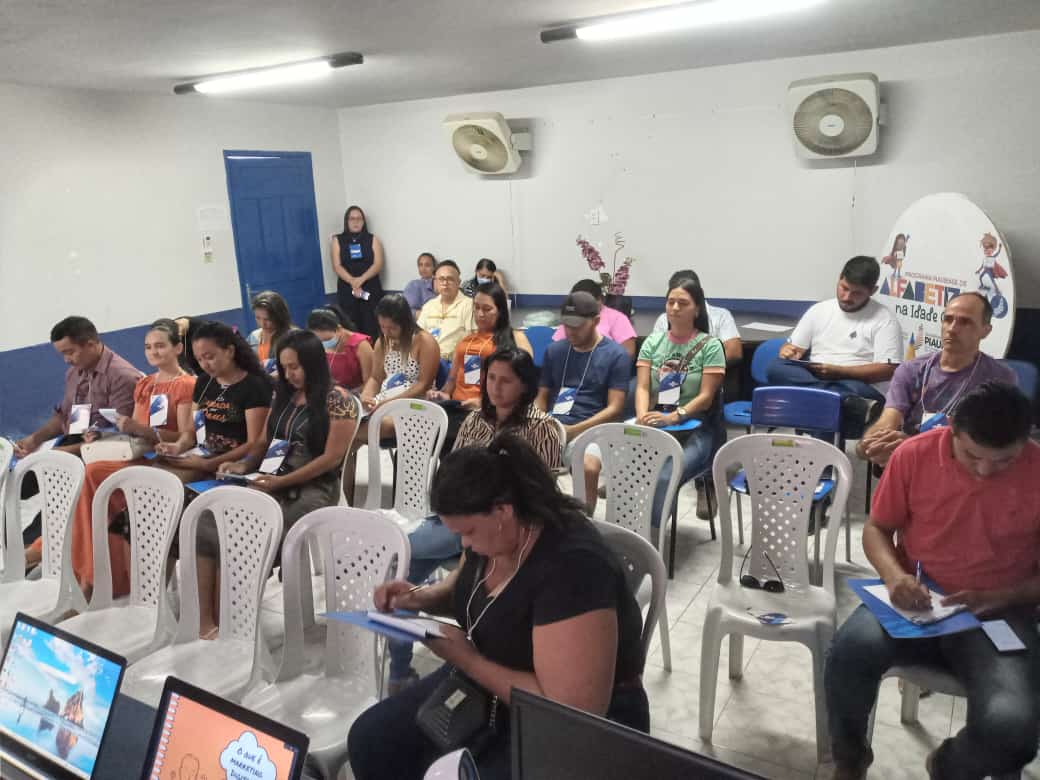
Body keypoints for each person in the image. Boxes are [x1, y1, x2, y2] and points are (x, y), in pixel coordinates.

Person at [347, 434, 649, 780]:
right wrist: (419, 597)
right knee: (371, 739)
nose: (464, 543)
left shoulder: (574, 568)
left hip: (574, 724)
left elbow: (570, 709)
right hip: (495, 679)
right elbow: (473, 594)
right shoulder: (494, 540)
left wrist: (466, 659)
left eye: (469, 531)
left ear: (503, 512)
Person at [825, 381, 1040, 780]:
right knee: (848, 654)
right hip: (914, 598)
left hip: (998, 613)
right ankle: (851, 759)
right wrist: (895, 578)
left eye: (1004, 461)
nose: (984, 471)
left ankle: (949, 766)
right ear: (952, 431)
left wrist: (1002, 595)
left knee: (1015, 726)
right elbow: (877, 528)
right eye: (972, 456)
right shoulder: (915, 454)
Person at [388, 348, 563, 692]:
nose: (496, 388)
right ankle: (399, 670)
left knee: (402, 551)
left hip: (503, 525)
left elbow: (542, 492)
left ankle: (408, 667)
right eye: (491, 379)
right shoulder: (475, 420)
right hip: (457, 522)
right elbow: (454, 478)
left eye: (506, 381)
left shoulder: (543, 428)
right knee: (404, 575)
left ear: (525, 385)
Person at [31, 319, 195, 593]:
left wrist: (137, 430)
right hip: (134, 449)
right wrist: (101, 433)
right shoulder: (147, 384)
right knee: (83, 479)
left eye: (160, 347)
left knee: (91, 475)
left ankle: (82, 570)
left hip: (163, 459)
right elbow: (130, 431)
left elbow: (183, 436)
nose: (153, 353)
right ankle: (74, 564)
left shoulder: (185, 385)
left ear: (178, 348)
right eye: (148, 347)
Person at [155, 321, 273, 638]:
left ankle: (209, 614)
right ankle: (156, 600)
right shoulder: (204, 383)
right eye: (200, 359)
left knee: (196, 517)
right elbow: (192, 430)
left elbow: (254, 443)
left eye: (211, 357)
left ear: (231, 351)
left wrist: (209, 462)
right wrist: (178, 446)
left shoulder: (254, 387)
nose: (205, 364)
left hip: (232, 465)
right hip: (202, 458)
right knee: (156, 498)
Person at [218, 330, 358, 560]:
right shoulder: (284, 394)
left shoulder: (338, 400)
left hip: (315, 485)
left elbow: (331, 459)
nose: (288, 374)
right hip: (274, 475)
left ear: (313, 364)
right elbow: (264, 440)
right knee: (224, 523)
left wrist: (282, 482)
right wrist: (243, 466)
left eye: (294, 367)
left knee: (257, 533)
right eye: (284, 368)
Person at [14, 316, 141, 554]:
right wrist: (34, 440)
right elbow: (66, 419)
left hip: (107, 450)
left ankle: (37, 547)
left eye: (70, 352)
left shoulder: (122, 377)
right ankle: (19, 544)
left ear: (91, 344)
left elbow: (121, 438)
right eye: (62, 354)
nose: (66, 360)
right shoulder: (76, 373)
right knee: (18, 479)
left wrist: (61, 453)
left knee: (61, 484)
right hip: (78, 441)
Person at [857, 292, 1016, 467]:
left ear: (985, 330)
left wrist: (915, 447)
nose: (952, 328)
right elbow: (890, 417)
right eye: (948, 319)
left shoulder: (1000, 378)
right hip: (913, 463)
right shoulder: (912, 370)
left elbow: (993, 442)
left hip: (967, 467)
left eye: (965, 322)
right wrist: (871, 443)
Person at [766, 256, 903, 436]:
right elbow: (795, 349)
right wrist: (788, 351)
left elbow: (889, 369)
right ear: (839, 278)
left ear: (873, 291)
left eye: (856, 293)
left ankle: (837, 399)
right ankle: (844, 399)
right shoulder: (819, 310)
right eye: (844, 288)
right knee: (775, 367)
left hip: (860, 386)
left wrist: (840, 372)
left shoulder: (884, 319)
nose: (847, 297)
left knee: (822, 409)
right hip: (823, 379)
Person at [636, 278, 727, 528]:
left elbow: (706, 397)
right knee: (628, 469)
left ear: (697, 309)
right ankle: (631, 533)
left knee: (665, 476)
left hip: (696, 429)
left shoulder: (710, 346)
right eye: (670, 302)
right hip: (658, 423)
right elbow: (643, 386)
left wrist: (674, 417)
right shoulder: (652, 342)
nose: (674, 307)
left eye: (683, 303)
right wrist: (643, 415)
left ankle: (652, 541)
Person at [536, 292, 630, 513]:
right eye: (566, 325)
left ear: (596, 321)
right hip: (554, 426)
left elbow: (615, 409)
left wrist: (573, 430)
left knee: (588, 466)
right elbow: (542, 395)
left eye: (577, 326)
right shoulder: (555, 351)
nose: (570, 331)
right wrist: (538, 420)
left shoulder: (616, 355)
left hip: (593, 430)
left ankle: (585, 517)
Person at [427, 283, 531, 446]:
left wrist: (485, 403)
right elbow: (452, 381)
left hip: (490, 411)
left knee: (450, 441)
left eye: (487, 309)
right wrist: (442, 394)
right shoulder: (466, 341)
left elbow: (527, 383)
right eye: (476, 308)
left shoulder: (515, 338)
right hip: (457, 408)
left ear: (500, 310)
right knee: (413, 444)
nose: (480, 314)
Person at [652, 269, 743, 363]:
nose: (676, 307)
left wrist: (699, 369)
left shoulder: (721, 316)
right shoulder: (664, 319)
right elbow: (654, 354)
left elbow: (734, 352)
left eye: (683, 301)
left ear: (700, 294)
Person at [331, 205, 385, 341]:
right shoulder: (337, 240)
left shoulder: (373, 239)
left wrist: (361, 279)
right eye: (352, 219)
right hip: (347, 290)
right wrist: (352, 281)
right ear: (346, 221)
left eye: (359, 219)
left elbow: (378, 264)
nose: (355, 222)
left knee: (372, 326)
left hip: (370, 288)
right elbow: (337, 266)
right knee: (350, 328)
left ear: (364, 221)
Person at [551, 279, 637, 359]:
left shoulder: (617, 318)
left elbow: (628, 352)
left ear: (599, 300)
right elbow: (556, 349)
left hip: (605, 368)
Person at [417, 260, 475, 362]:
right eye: (441, 279)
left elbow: (473, 339)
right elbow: (418, 336)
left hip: (455, 362)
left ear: (459, 282)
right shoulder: (428, 306)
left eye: (450, 279)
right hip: (428, 360)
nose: (445, 283)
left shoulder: (469, 305)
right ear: (435, 282)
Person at [306, 304, 373, 391]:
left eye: (327, 339)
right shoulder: (317, 346)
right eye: (320, 342)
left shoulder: (361, 345)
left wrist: (347, 395)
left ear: (339, 329)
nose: (324, 344)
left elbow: (371, 383)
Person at [246, 290, 294, 365]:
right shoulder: (253, 337)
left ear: (279, 316)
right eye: (258, 318)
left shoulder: (291, 337)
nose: (262, 324)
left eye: (267, 319)